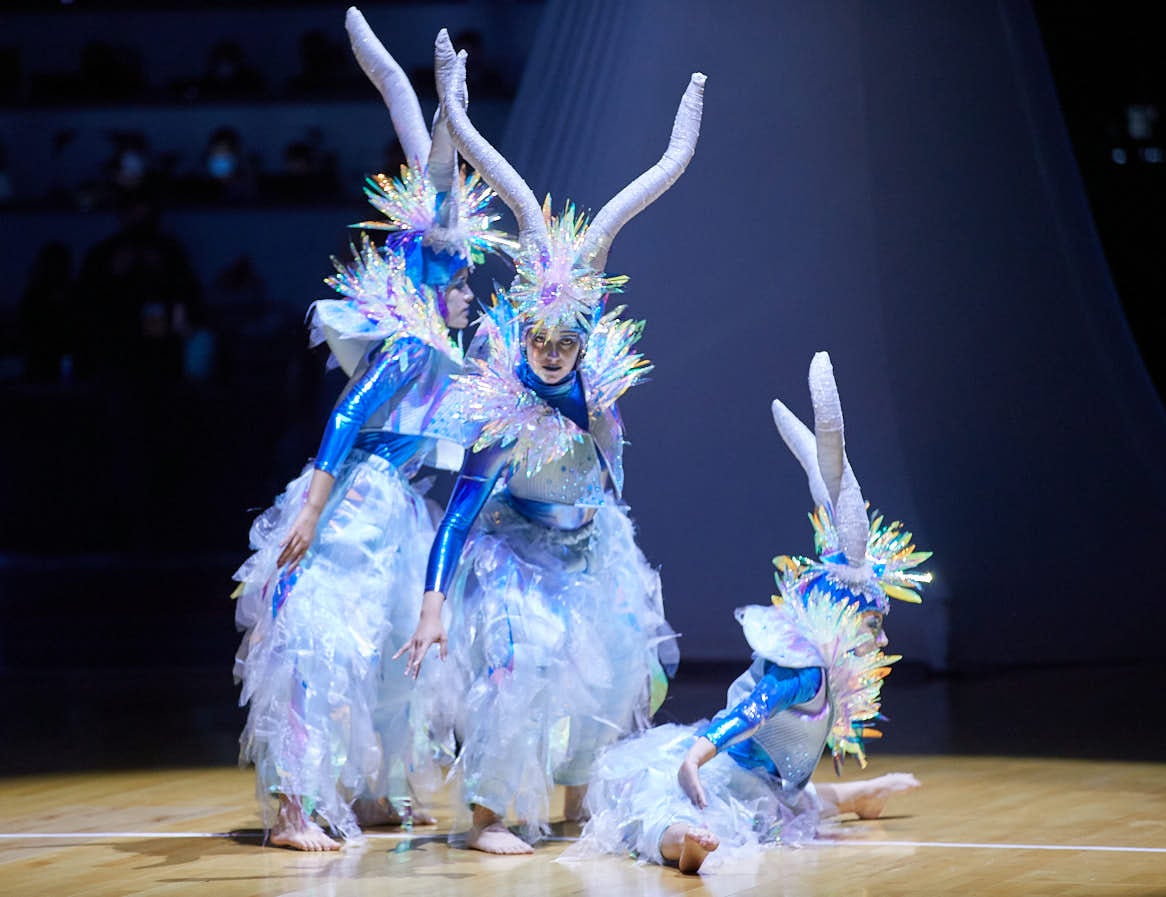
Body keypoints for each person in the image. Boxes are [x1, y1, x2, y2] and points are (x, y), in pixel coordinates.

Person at [397, 36, 705, 854]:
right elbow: (461, 514)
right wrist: (432, 610)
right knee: (518, 663)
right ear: (520, 329)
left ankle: (575, 796)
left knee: (607, 665)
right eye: (537, 334)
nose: (551, 348)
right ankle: (492, 815)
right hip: (516, 553)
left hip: (589, 548)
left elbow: (601, 467)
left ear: (584, 333)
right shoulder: (504, 414)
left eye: (565, 336)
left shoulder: (598, 395)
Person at [231, 9, 512, 852]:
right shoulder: (413, 344)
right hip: (354, 507)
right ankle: (290, 804)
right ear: (432, 284)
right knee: (320, 646)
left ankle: (378, 788)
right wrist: (312, 512)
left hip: (396, 513)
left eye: (469, 278)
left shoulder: (452, 360)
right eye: (457, 278)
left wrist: (449, 109)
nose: (469, 292)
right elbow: (348, 417)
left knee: (395, 657)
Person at [564, 352, 929, 873]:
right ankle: (681, 840)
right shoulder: (801, 670)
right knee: (663, 809)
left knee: (778, 807)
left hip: (759, 782)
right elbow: (749, 712)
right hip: (717, 769)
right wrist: (695, 757)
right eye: (872, 624)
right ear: (841, 615)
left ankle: (858, 796)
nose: (881, 639)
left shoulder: (823, 669)